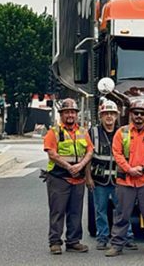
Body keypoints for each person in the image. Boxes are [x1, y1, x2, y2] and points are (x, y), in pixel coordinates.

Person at [105, 100, 144, 257]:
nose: (139, 116)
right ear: (131, 114)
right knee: (121, 215)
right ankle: (117, 245)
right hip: (126, 181)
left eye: (142, 113)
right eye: (136, 113)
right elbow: (116, 153)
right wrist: (129, 169)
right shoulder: (122, 132)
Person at [43, 98, 94, 255]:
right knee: (57, 211)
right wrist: (69, 167)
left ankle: (73, 241)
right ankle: (55, 242)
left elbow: (90, 151)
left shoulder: (83, 132)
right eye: (67, 112)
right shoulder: (53, 132)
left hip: (78, 179)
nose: (70, 115)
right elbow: (52, 154)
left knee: (75, 212)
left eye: (73, 112)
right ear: (61, 115)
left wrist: (80, 166)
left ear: (76, 115)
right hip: (59, 178)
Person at [86, 100, 136, 251]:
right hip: (99, 180)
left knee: (123, 210)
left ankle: (127, 237)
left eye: (112, 114)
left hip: (119, 180)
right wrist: (88, 177)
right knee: (100, 211)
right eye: (105, 114)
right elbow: (87, 156)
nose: (109, 116)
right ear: (100, 116)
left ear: (117, 116)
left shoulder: (124, 133)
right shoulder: (93, 132)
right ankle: (102, 238)